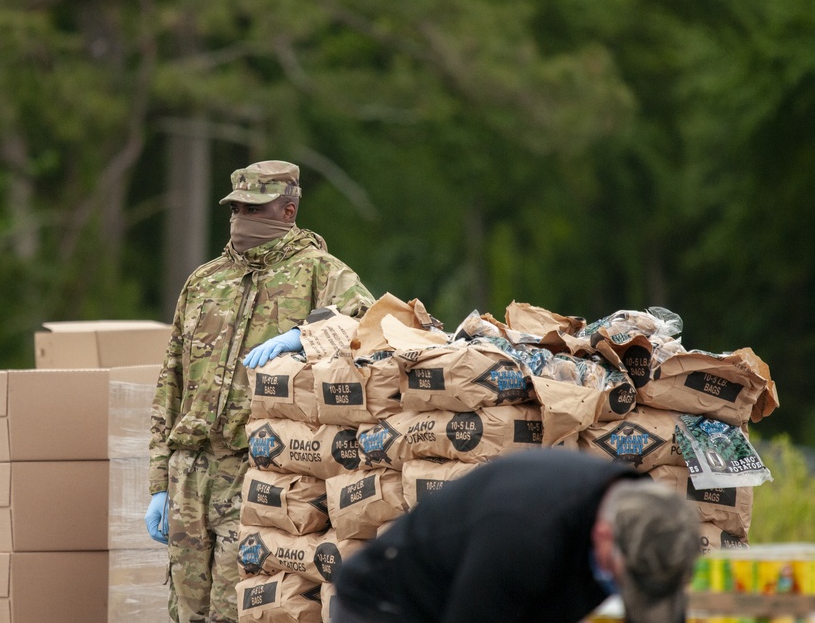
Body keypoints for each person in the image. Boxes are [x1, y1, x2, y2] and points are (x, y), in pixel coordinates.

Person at [145, 160, 374, 622]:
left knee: (243, 604)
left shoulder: (319, 273)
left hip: (261, 471)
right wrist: (159, 484)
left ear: (288, 211)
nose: (240, 221)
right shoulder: (205, 282)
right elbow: (170, 383)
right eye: (235, 209)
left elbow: (371, 326)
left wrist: (304, 334)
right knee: (187, 609)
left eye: (254, 208)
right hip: (190, 473)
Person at [332, 449, 700, 623]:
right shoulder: (524, 535)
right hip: (390, 605)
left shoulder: (646, 517)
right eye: (622, 577)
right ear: (604, 537)